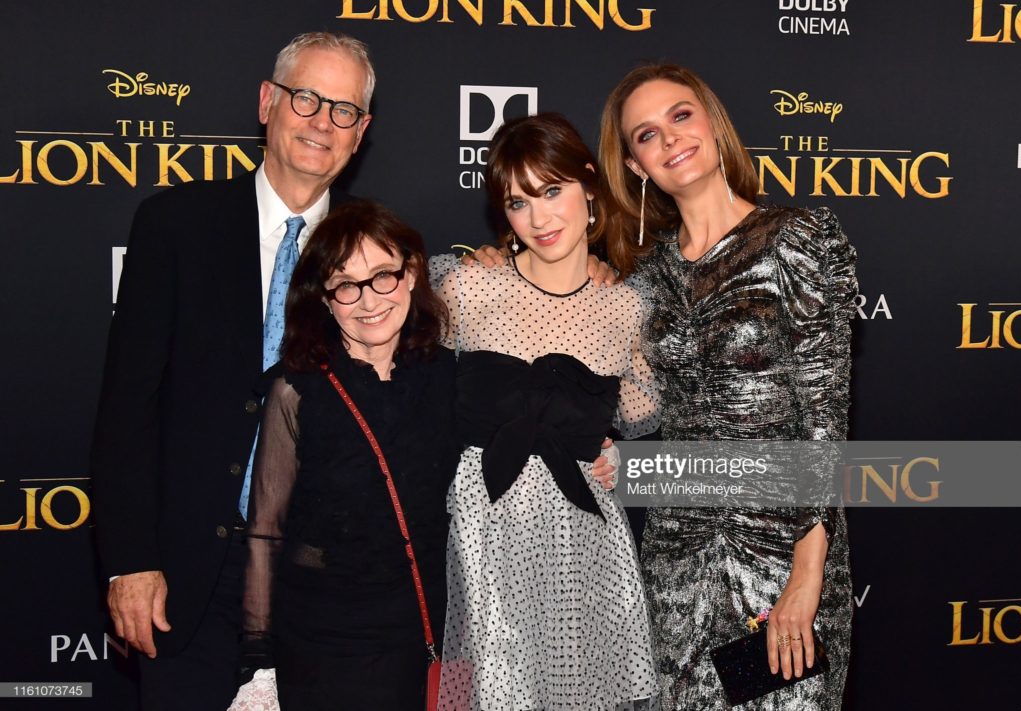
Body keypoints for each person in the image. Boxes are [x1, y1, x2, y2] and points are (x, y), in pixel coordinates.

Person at [89, 32, 373, 710]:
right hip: (189, 582)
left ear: (360, 135)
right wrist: (130, 558)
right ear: (268, 102)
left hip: (325, 591)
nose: (321, 122)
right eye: (307, 98)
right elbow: (128, 406)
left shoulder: (376, 251)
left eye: (343, 110)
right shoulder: (175, 225)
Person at [598, 64, 856, 709]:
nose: (670, 140)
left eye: (681, 116)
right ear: (635, 165)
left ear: (712, 123)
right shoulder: (644, 279)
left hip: (780, 550)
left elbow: (824, 421)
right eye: (646, 135)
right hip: (676, 561)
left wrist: (806, 575)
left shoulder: (795, 241)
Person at [435, 113, 660, 710]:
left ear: (589, 184)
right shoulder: (466, 287)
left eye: (551, 191)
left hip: (585, 531)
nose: (538, 219)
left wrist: (614, 452)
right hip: (483, 521)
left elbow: (643, 415)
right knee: (484, 688)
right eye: (517, 202)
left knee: (588, 692)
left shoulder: (627, 308)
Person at [239, 200, 460, 709]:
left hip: (431, 627)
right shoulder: (296, 389)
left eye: (384, 275)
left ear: (411, 274)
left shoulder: (451, 375)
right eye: (346, 285)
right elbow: (266, 533)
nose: (368, 300)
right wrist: (258, 652)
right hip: (324, 641)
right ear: (324, 299)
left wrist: (603, 453)